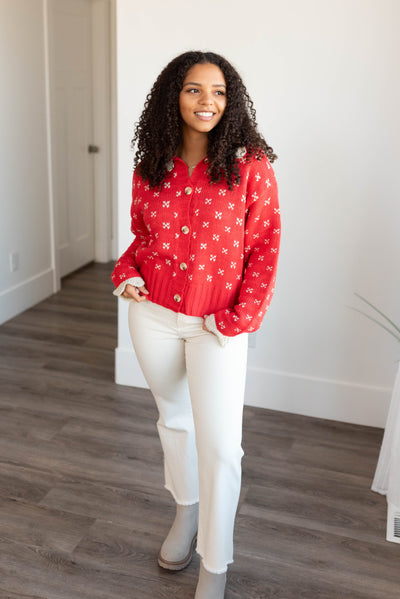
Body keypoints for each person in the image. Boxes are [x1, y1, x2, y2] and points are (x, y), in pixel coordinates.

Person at [111, 50, 280, 599]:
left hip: (218, 324)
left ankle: (216, 561)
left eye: (219, 92)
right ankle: (185, 514)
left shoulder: (249, 164)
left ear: (231, 102)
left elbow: (264, 247)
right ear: (172, 96)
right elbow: (141, 238)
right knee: (175, 422)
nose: (207, 101)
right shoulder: (151, 163)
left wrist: (237, 320)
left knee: (222, 447)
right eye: (193, 89)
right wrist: (125, 273)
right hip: (153, 316)